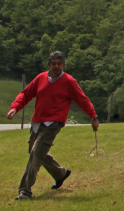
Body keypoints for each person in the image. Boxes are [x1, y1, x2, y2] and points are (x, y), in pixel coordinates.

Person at [6, 51, 99, 200]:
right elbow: (26, 94)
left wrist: (93, 117)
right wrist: (14, 108)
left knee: (36, 153)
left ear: (64, 65)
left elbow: (83, 100)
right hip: (37, 122)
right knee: (34, 152)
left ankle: (25, 191)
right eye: (54, 63)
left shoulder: (69, 82)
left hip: (53, 124)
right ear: (49, 64)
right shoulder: (41, 78)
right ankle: (60, 173)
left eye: (59, 64)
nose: (56, 66)